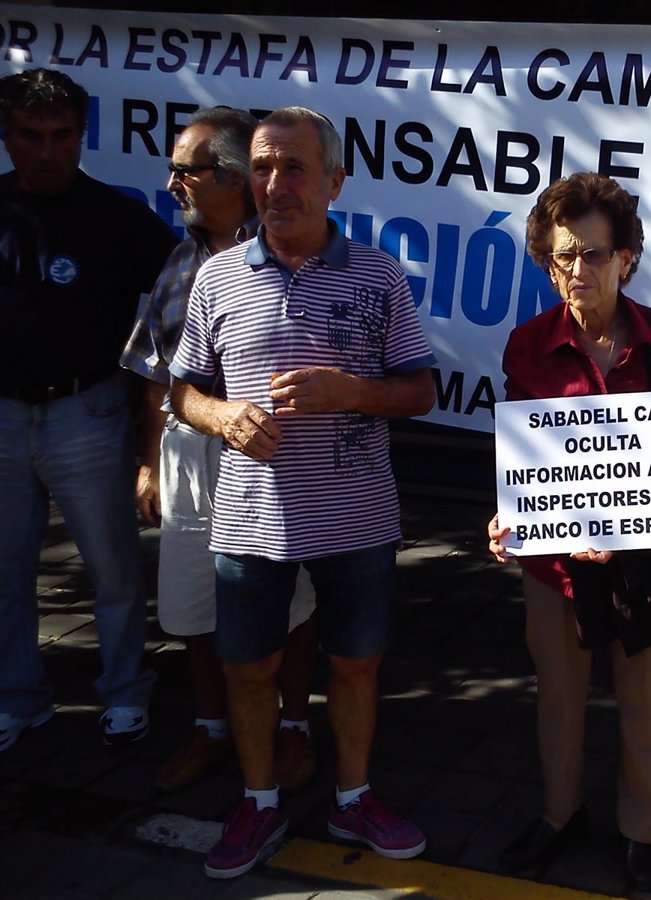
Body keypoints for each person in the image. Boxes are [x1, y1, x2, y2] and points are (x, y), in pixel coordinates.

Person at [168, 106, 436, 879]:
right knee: (248, 670)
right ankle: (258, 804)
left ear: (334, 182)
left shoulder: (378, 274)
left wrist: (353, 392)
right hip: (251, 521)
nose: (275, 184)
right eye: (261, 167)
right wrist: (222, 416)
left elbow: (421, 391)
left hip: (357, 518)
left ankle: (354, 795)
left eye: (294, 168)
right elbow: (183, 390)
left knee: (356, 664)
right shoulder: (217, 275)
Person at [486, 172, 651, 893]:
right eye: (562, 255)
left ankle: (642, 830)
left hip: (643, 561)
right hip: (555, 565)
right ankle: (561, 815)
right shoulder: (528, 344)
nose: (576, 270)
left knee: (643, 700)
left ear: (626, 257)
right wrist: (511, 515)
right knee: (557, 694)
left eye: (592, 253)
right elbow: (526, 453)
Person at [121, 107, 320, 794]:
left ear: (232, 178)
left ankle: (293, 728)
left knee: (290, 601)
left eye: (187, 171)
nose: (172, 184)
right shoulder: (179, 261)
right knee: (193, 600)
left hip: (270, 453)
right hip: (189, 451)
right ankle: (212, 727)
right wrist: (150, 463)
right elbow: (156, 376)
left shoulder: (290, 251)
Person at [0, 69, 176, 751]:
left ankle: (126, 691)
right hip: (3, 414)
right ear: (8, 136)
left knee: (113, 567)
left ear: (81, 134)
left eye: (62, 135)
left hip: (88, 409)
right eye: (31, 135)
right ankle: (19, 697)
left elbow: (183, 295)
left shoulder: (116, 216)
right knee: (7, 570)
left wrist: (152, 396)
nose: (48, 151)